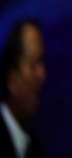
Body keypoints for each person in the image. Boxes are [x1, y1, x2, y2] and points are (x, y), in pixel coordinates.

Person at [1, 18, 46, 158]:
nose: (42, 75)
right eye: (33, 65)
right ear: (12, 79)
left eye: (42, 63)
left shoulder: (35, 149)